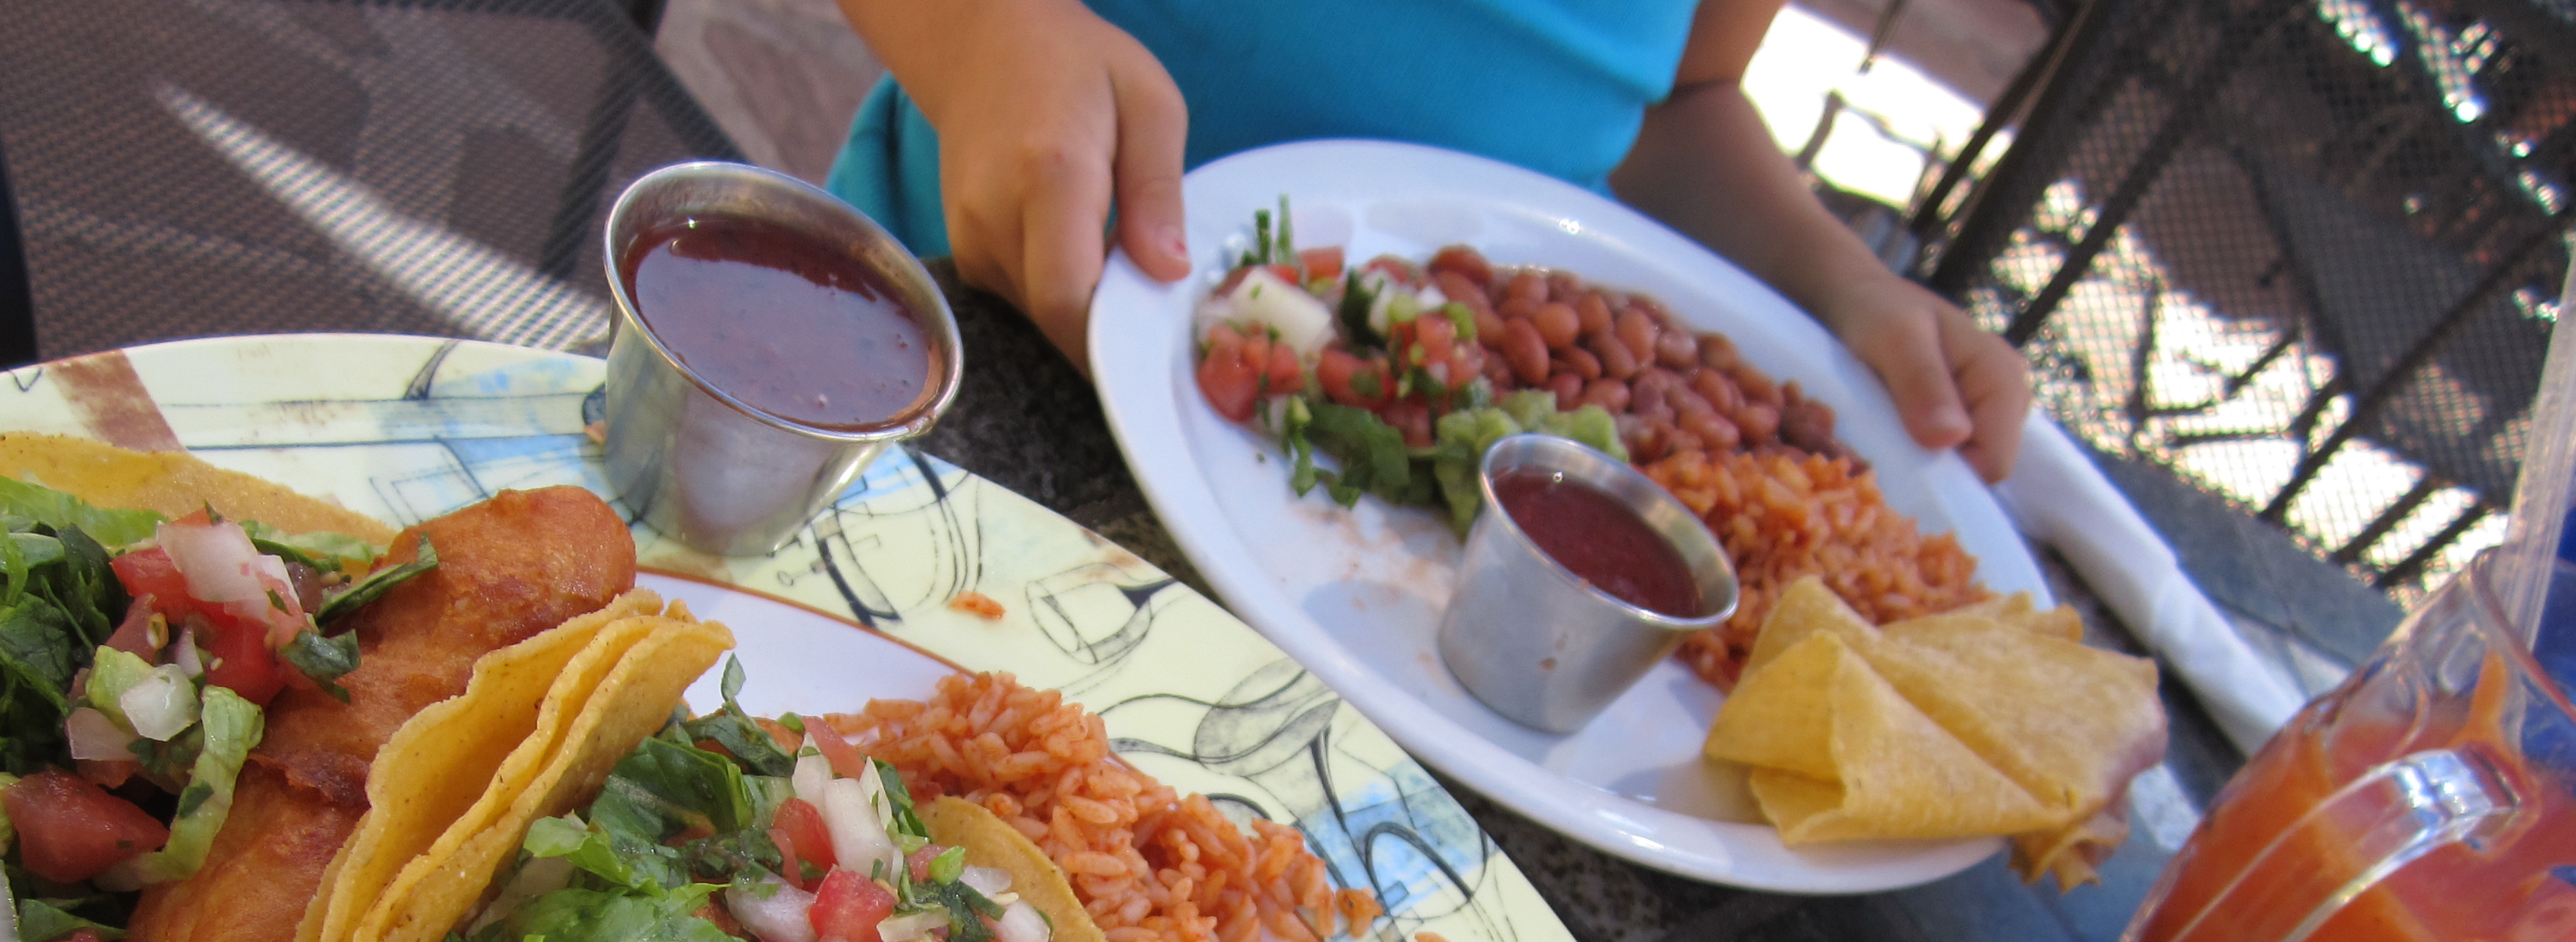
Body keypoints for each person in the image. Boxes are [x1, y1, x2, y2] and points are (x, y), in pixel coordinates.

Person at [827, 0, 2030, 481]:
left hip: (1407, 523)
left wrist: (1840, 281)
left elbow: (1680, 98)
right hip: (940, 348)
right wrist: (980, 34)